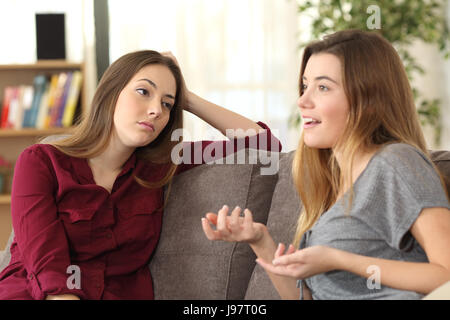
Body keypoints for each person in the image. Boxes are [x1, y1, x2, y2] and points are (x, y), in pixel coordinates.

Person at [0, 50, 281, 300]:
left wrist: (188, 99)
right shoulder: (40, 162)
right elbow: (48, 268)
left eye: (167, 104)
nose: (156, 110)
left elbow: (264, 145)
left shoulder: (162, 166)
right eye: (144, 92)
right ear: (111, 92)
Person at [202, 29, 450, 300]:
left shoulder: (396, 163)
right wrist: (260, 241)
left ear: (366, 100)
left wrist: (337, 258)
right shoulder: (335, 182)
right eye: (305, 85)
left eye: (322, 87)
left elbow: (446, 275)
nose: (302, 100)